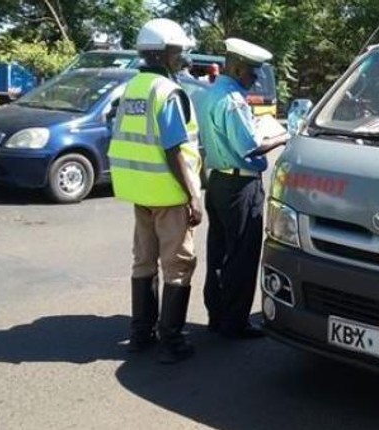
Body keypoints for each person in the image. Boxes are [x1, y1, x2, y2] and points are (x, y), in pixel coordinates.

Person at [107, 18, 203, 364]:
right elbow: (173, 148)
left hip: (140, 190)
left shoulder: (132, 87)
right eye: (179, 51)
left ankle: (140, 334)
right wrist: (192, 194)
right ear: (165, 54)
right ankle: (171, 341)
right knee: (178, 265)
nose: (182, 57)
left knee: (143, 261)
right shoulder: (167, 93)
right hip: (169, 193)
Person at [197, 38, 288, 339]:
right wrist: (282, 138)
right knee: (241, 255)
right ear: (236, 67)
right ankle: (234, 322)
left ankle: (218, 314)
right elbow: (249, 148)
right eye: (252, 71)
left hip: (219, 181)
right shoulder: (233, 100)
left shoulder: (213, 93)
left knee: (220, 252)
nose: (256, 78)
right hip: (239, 184)